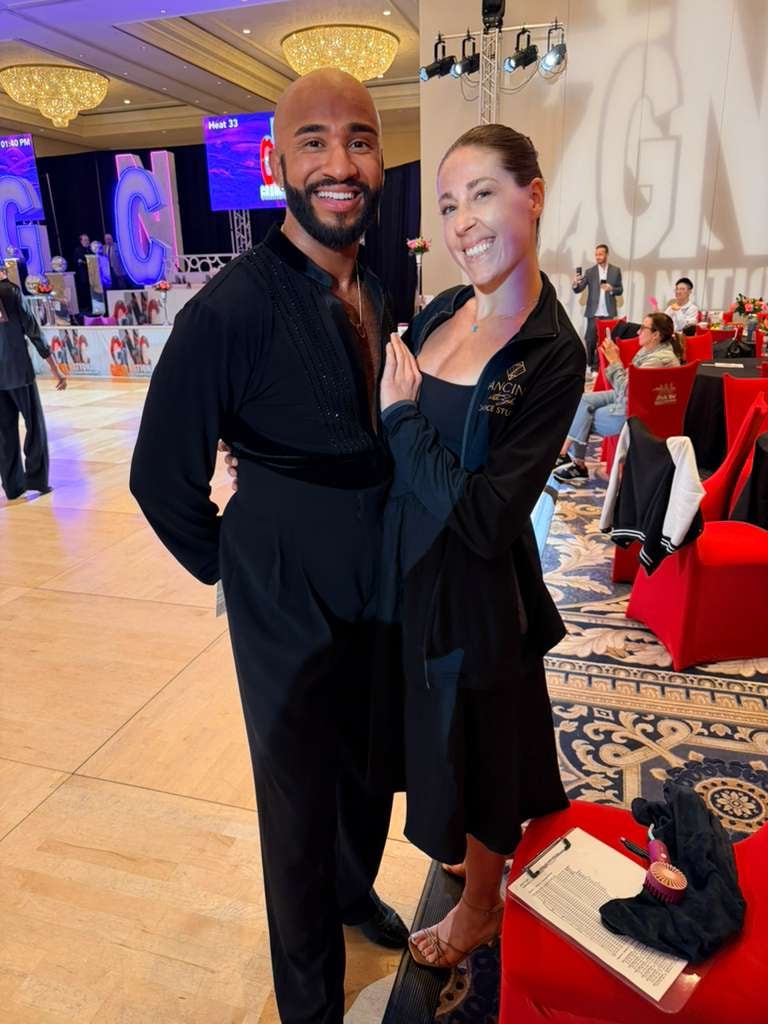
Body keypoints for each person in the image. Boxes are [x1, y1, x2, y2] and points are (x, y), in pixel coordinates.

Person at [129, 68, 408, 1024]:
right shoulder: (228, 310)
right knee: (295, 803)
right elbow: (158, 477)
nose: (340, 163)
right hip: (281, 585)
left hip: (379, 569)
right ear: (275, 162)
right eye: (317, 142)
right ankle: (309, 1006)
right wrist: (235, 562)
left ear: (380, 159)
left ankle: (348, 890)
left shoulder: (377, 278)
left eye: (360, 141)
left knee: (372, 769)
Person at [374, 124, 585, 968]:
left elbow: (492, 516)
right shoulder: (440, 309)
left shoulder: (550, 354)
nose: (464, 223)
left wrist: (397, 417)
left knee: (490, 753)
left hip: (477, 592)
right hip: (409, 580)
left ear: (533, 195)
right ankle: (465, 854)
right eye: (450, 204)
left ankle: (479, 910)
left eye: (483, 195)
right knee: (436, 742)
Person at [554, 311, 682, 483]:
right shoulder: (650, 351)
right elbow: (625, 388)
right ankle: (567, 455)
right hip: (632, 399)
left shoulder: (658, 360)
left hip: (637, 411)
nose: (638, 332)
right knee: (582, 401)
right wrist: (616, 361)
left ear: (656, 335)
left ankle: (574, 461)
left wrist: (615, 361)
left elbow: (627, 389)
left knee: (582, 416)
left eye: (643, 328)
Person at [0, 268, 66, 500]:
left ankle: (12, 485)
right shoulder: (12, 292)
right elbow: (33, 330)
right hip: (19, 371)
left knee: (4, 433)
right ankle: (36, 478)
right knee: (34, 426)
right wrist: (55, 368)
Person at [572, 244, 624, 371]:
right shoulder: (590, 272)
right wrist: (575, 283)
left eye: (600, 254)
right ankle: (589, 364)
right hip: (593, 312)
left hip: (608, 313)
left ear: (606, 255)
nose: (598, 257)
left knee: (604, 341)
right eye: (596, 254)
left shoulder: (615, 270)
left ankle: (596, 367)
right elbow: (579, 289)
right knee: (590, 339)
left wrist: (611, 289)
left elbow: (620, 290)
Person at [72, 232, 91, 314]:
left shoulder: (91, 249)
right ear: (81, 241)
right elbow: (78, 261)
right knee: (86, 292)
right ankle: (88, 307)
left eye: (88, 240)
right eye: (85, 240)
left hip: (94, 276)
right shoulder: (78, 250)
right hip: (84, 276)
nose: (87, 241)